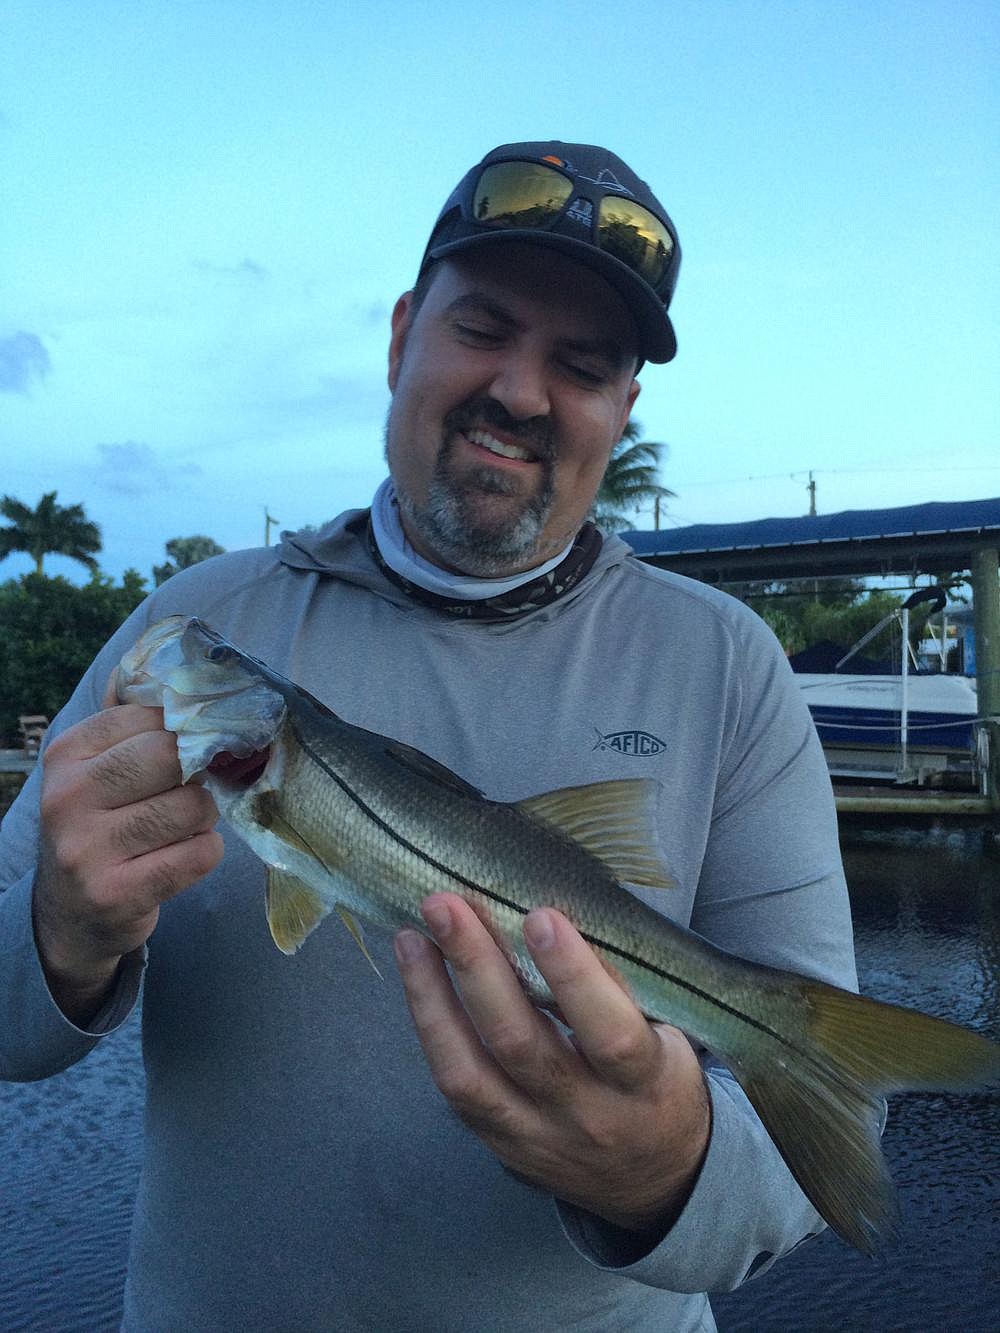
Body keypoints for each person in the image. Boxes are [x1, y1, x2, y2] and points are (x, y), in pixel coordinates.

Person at [0, 141, 856, 1331]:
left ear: (623, 410)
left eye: (582, 363)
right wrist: (56, 925)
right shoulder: (192, 621)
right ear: (402, 333)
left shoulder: (729, 665)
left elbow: (806, 1172)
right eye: (483, 328)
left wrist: (665, 1163)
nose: (519, 390)